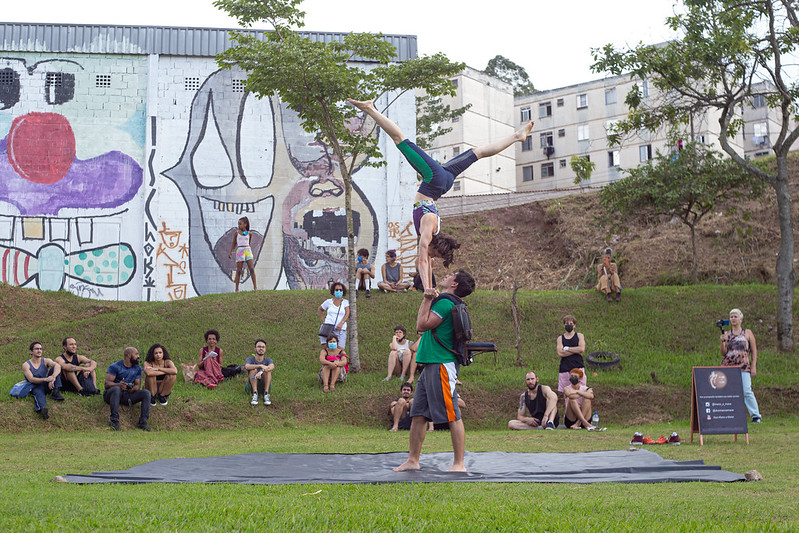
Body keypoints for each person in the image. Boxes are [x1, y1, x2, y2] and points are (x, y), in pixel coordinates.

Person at [348, 98, 534, 297]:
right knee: (399, 139)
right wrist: (427, 289)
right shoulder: (428, 228)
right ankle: (370, 109)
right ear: (435, 246)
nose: (431, 256)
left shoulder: (434, 231)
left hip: (444, 181)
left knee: (478, 152)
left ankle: (516, 136)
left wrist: (431, 288)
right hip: (434, 178)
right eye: (435, 254)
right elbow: (422, 260)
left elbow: (427, 263)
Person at [393, 269, 475, 473]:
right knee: (418, 414)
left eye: (452, 275)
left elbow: (421, 325)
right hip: (431, 363)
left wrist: (426, 299)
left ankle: (459, 464)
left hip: (441, 364)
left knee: (453, 414)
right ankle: (413, 460)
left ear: (455, 284)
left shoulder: (445, 303)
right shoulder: (445, 301)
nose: (447, 275)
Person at [721, 308, 761, 423]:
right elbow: (723, 352)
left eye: (735, 316)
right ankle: (730, 415)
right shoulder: (727, 334)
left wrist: (753, 366)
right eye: (731, 317)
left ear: (740, 319)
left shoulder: (747, 333)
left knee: (746, 391)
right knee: (729, 392)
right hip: (728, 366)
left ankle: (756, 415)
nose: (733, 319)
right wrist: (722, 342)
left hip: (743, 366)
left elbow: (754, 351)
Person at [103, 347, 151, 431]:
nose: (138, 356)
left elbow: (137, 385)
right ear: (128, 355)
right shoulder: (115, 366)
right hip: (112, 394)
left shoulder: (137, 368)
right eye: (136, 354)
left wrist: (132, 389)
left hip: (127, 394)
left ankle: (143, 422)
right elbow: (106, 384)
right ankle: (114, 421)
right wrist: (119, 385)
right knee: (116, 389)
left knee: (146, 393)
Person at [22, 341, 64, 419]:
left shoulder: (46, 360)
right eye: (36, 349)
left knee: (54, 369)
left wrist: (53, 377)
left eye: (40, 349)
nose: (39, 351)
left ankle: (56, 393)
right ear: (31, 351)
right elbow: (31, 379)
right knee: (39, 393)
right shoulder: (26, 365)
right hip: (35, 385)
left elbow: (58, 366)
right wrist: (46, 379)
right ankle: (42, 409)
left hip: (47, 385)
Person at [556, 314, 586, 405]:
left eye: (571, 323)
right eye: (566, 324)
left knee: (581, 391)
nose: (569, 325)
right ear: (564, 325)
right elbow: (560, 353)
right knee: (567, 393)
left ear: (574, 325)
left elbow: (581, 349)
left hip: (578, 367)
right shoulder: (560, 338)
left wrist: (567, 348)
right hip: (565, 368)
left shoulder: (579, 336)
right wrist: (575, 350)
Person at [228, 216, 257, 292]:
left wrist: (247, 248)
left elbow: (248, 242)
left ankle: (255, 287)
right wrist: (231, 252)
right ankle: (237, 288)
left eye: (240, 224)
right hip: (240, 251)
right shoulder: (237, 233)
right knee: (239, 270)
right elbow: (234, 243)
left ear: (245, 224)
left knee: (251, 268)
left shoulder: (249, 233)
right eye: (238, 224)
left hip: (247, 250)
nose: (239, 226)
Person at [318, 282, 350, 349]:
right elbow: (320, 309)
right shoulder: (328, 302)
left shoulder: (345, 302)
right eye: (336, 290)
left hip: (340, 329)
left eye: (340, 290)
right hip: (328, 328)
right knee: (326, 349)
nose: (338, 291)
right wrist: (324, 320)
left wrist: (341, 323)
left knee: (340, 349)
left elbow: (347, 313)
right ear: (333, 291)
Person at [245, 339, 275, 406]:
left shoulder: (268, 360)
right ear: (255, 348)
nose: (261, 348)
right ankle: (255, 394)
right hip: (252, 381)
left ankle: (266, 394)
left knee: (267, 371)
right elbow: (247, 366)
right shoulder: (250, 359)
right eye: (259, 347)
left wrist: (261, 371)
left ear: (265, 349)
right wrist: (260, 366)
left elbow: (272, 366)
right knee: (253, 371)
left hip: (264, 383)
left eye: (263, 347)